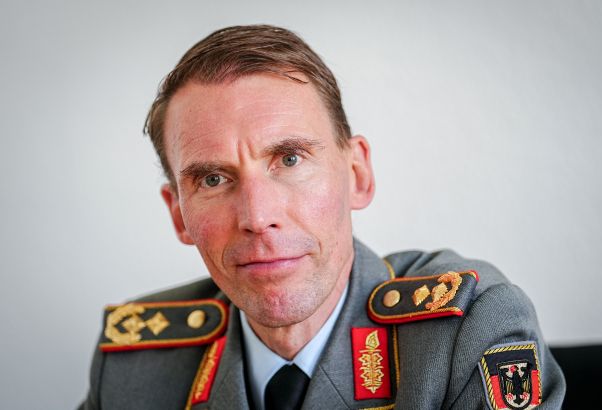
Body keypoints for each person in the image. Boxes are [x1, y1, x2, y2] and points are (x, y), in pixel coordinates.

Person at [79, 24, 565, 410]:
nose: (257, 217)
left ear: (357, 175)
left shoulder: (466, 333)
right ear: (179, 215)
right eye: (212, 179)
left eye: (290, 159)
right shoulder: (134, 367)